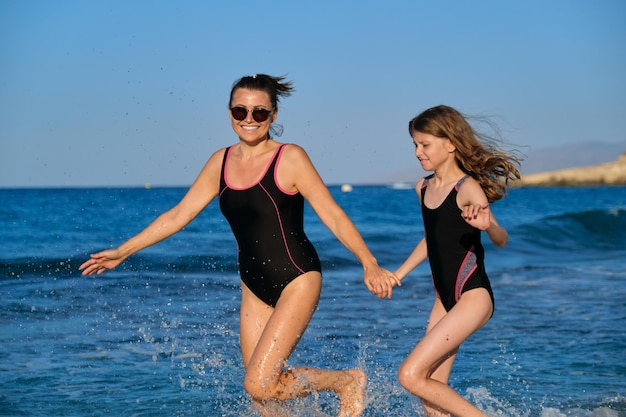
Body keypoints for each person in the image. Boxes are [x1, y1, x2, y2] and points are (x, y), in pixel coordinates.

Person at [79, 74, 399, 417]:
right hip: (253, 286)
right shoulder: (220, 162)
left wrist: (368, 261)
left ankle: (345, 382)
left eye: (259, 113)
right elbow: (179, 215)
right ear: (230, 113)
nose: (249, 119)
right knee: (263, 399)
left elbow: (333, 214)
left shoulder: (289, 158)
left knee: (258, 383)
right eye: (240, 111)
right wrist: (123, 251)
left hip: (297, 278)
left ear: (273, 115)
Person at [392, 105, 521, 416]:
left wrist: (487, 225)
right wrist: (399, 274)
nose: (417, 152)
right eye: (415, 145)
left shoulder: (467, 188)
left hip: (472, 296)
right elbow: (431, 239)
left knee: (410, 375)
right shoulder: (423, 188)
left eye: (424, 145)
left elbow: (501, 238)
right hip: (444, 298)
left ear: (449, 143)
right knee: (430, 397)